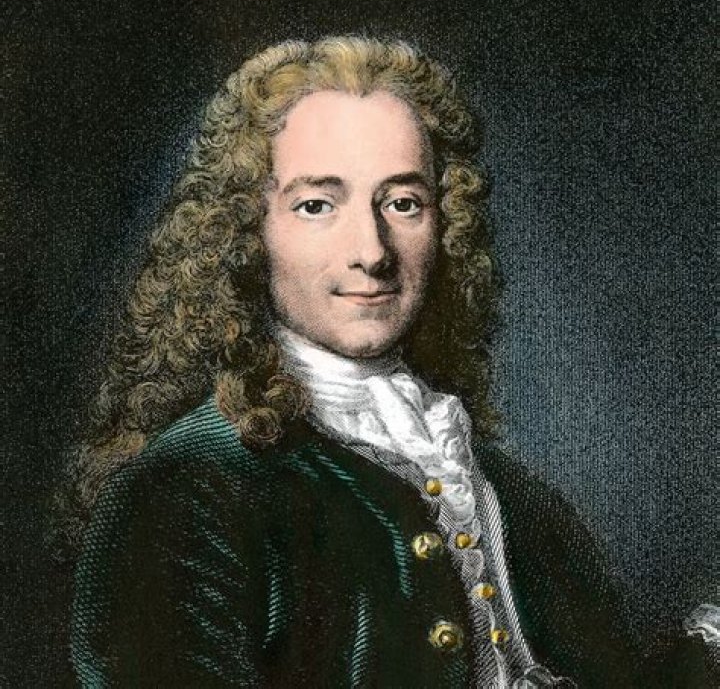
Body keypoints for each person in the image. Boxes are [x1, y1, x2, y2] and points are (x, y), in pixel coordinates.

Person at [68, 36, 646, 688]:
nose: (372, 252)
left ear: (445, 225)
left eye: (402, 203)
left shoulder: (511, 495)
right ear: (246, 232)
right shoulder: (186, 490)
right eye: (317, 205)